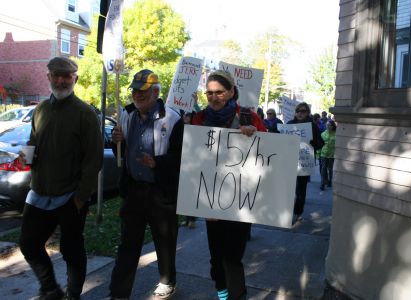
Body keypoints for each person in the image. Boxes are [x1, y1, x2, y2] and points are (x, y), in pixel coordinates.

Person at [19, 56, 104, 300]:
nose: (61, 80)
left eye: (66, 76)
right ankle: (50, 289)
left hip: (70, 196)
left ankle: (73, 295)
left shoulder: (85, 113)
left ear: (74, 79)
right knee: (29, 244)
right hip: (39, 194)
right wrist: (27, 155)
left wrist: (80, 198)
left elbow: (94, 160)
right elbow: (33, 142)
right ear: (48, 77)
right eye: (56, 75)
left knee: (72, 251)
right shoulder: (40, 109)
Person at [108, 69, 184, 299]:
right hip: (133, 191)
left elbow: (181, 157)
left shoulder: (172, 118)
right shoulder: (127, 115)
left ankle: (167, 280)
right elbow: (120, 152)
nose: (137, 95)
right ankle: (118, 293)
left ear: (156, 92)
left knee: (165, 240)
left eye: (142, 91)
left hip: (161, 192)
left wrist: (157, 163)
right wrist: (115, 142)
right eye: (134, 90)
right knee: (128, 245)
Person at [191, 70, 266, 300]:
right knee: (216, 259)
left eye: (219, 92)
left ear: (232, 92)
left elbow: (268, 155)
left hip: (240, 202)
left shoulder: (248, 117)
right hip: (210, 201)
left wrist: (254, 135)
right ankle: (223, 294)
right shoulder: (198, 119)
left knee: (232, 258)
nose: (214, 97)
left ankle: (236, 297)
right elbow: (190, 160)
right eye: (209, 93)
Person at [287, 103, 323, 224]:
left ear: (307, 112)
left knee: (301, 190)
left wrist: (313, 143)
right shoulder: (289, 125)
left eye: (303, 111)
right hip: (289, 161)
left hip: (304, 162)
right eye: (298, 111)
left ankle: (297, 213)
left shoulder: (312, 126)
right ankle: (286, 211)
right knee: (288, 188)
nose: (300, 113)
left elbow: (320, 143)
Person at [320, 120, 337, 190]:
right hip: (324, 153)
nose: (328, 126)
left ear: (332, 126)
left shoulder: (336, 134)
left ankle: (330, 180)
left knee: (330, 169)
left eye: (329, 125)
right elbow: (320, 144)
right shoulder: (323, 134)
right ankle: (323, 183)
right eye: (327, 125)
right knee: (323, 169)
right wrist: (318, 153)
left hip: (332, 154)